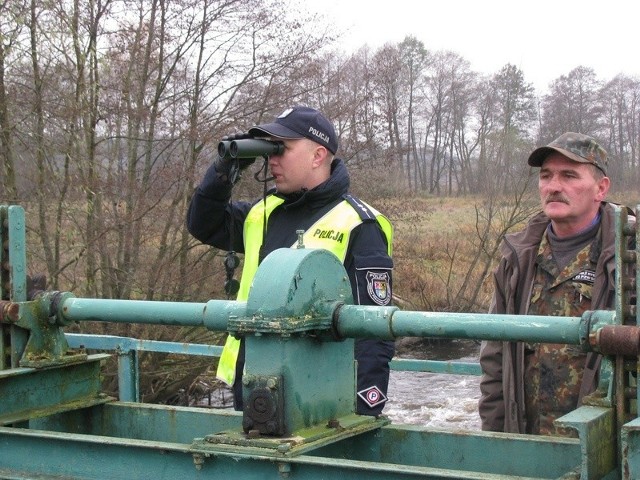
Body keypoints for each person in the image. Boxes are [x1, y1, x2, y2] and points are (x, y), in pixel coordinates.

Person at [187, 106, 395, 416]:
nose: (271, 159)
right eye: (268, 148)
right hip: (251, 386)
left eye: (281, 148)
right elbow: (203, 223)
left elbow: (373, 330)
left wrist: (364, 410)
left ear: (317, 155)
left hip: (315, 403)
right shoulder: (263, 212)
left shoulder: (358, 224)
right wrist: (222, 171)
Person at [478, 132, 636, 435]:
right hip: (528, 441)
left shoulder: (630, 253)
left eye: (569, 175)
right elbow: (495, 357)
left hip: (606, 444)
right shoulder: (517, 257)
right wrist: (497, 439)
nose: (553, 186)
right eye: (546, 176)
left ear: (601, 188)